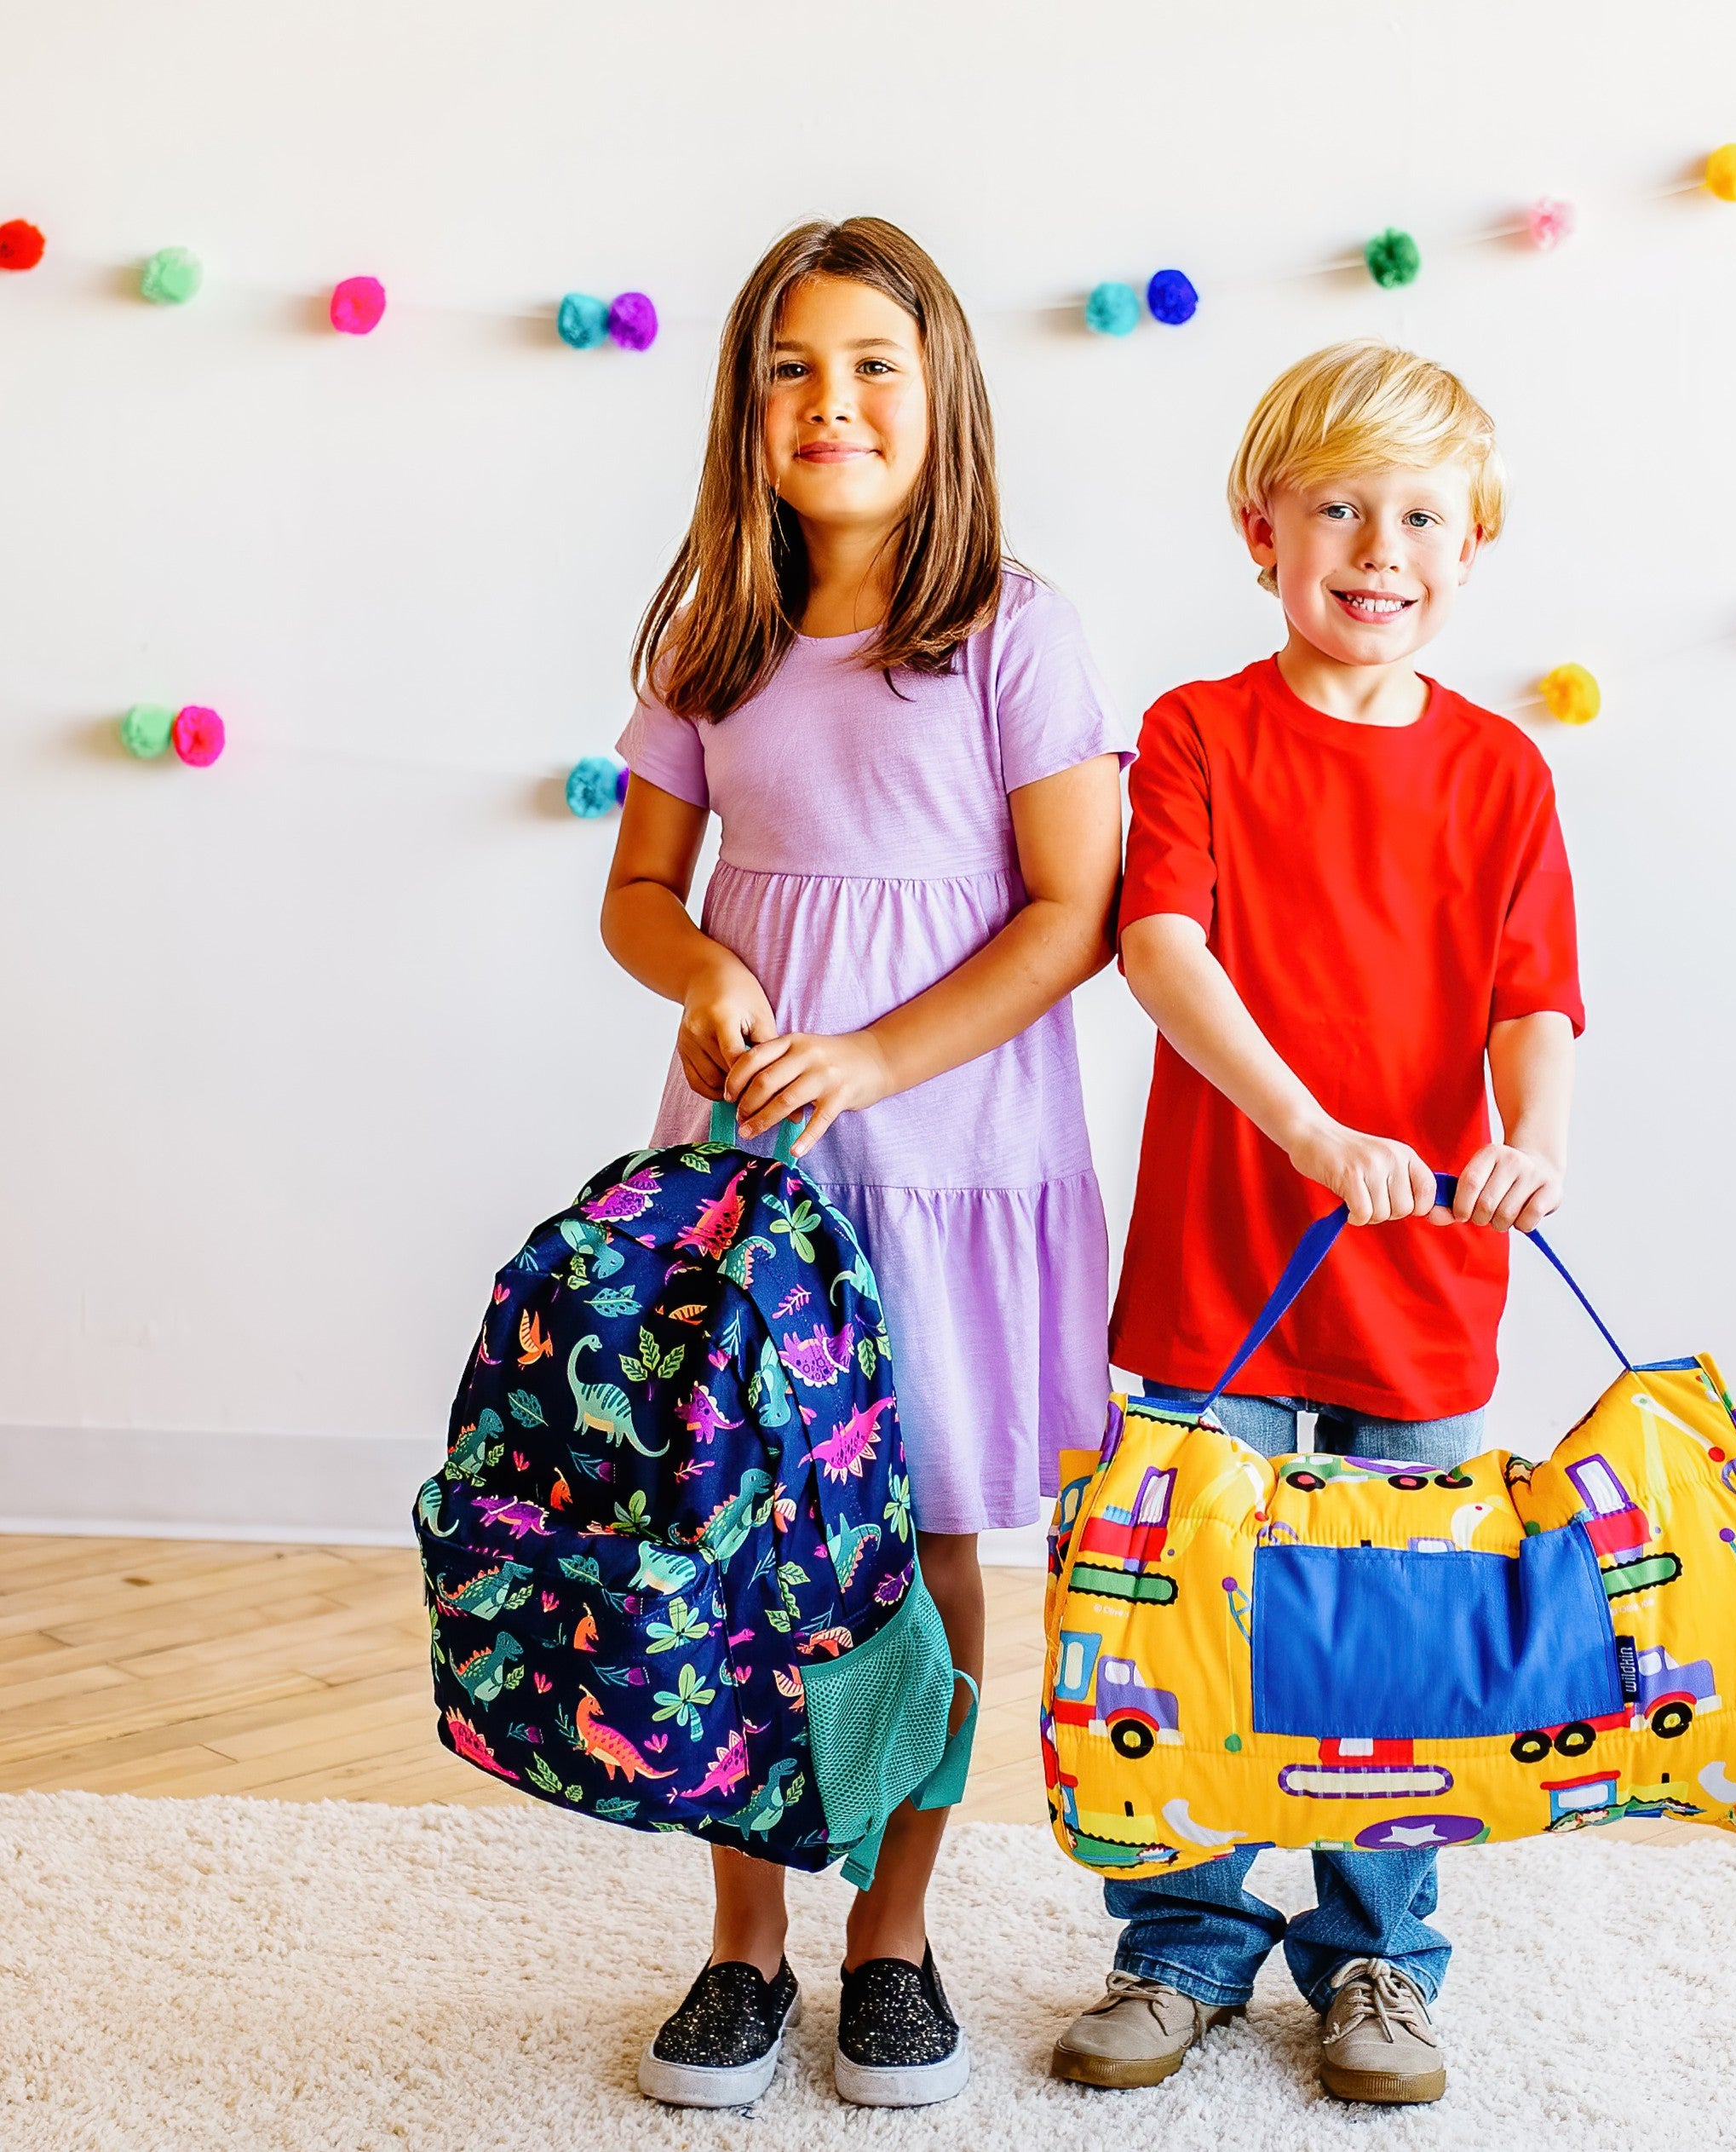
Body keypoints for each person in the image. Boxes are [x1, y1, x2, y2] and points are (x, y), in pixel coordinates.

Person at [603, 216, 1129, 2109]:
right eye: (792, 370)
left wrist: (877, 1056)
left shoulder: (1013, 630)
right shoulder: (710, 634)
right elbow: (638, 894)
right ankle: (745, 1940)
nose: (832, 403)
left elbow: (1072, 912)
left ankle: (893, 1933)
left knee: (929, 1544)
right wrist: (707, 973)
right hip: (756, 1177)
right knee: (731, 1538)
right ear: (746, 409)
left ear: (941, 394)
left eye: (872, 366)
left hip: (959, 1159)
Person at [1052, 340, 1584, 2106]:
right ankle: (1182, 1942)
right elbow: (1160, 948)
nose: (1379, 549)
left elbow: (1533, 999)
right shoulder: (1198, 733)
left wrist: (1536, 1143)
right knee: (1190, 1617)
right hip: (1222, 1276)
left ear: (1473, 545)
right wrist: (1307, 1131)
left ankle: (1376, 1954)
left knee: (1397, 1634)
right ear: (1258, 529)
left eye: (1421, 516)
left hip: (1424, 1284)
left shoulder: (1500, 770)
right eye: (1339, 508)